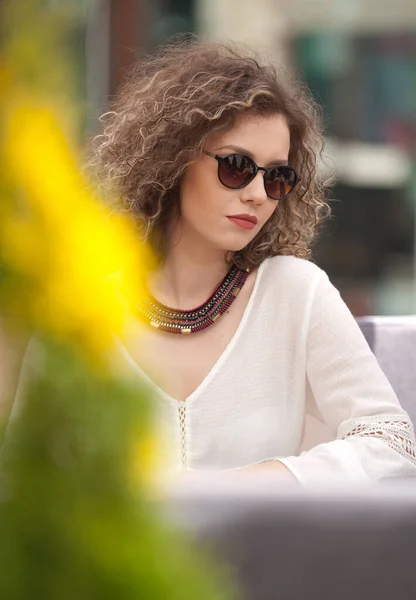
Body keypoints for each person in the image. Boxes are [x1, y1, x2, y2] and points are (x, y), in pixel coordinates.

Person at [90, 40, 416, 483]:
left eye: (278, 176)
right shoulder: (85, 304)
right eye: (237, 167)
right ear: (175, 159)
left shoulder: (294, 291)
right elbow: (28, 471)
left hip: (265, 552)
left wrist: (261, 481)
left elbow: (392, 441)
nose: (258, 194)